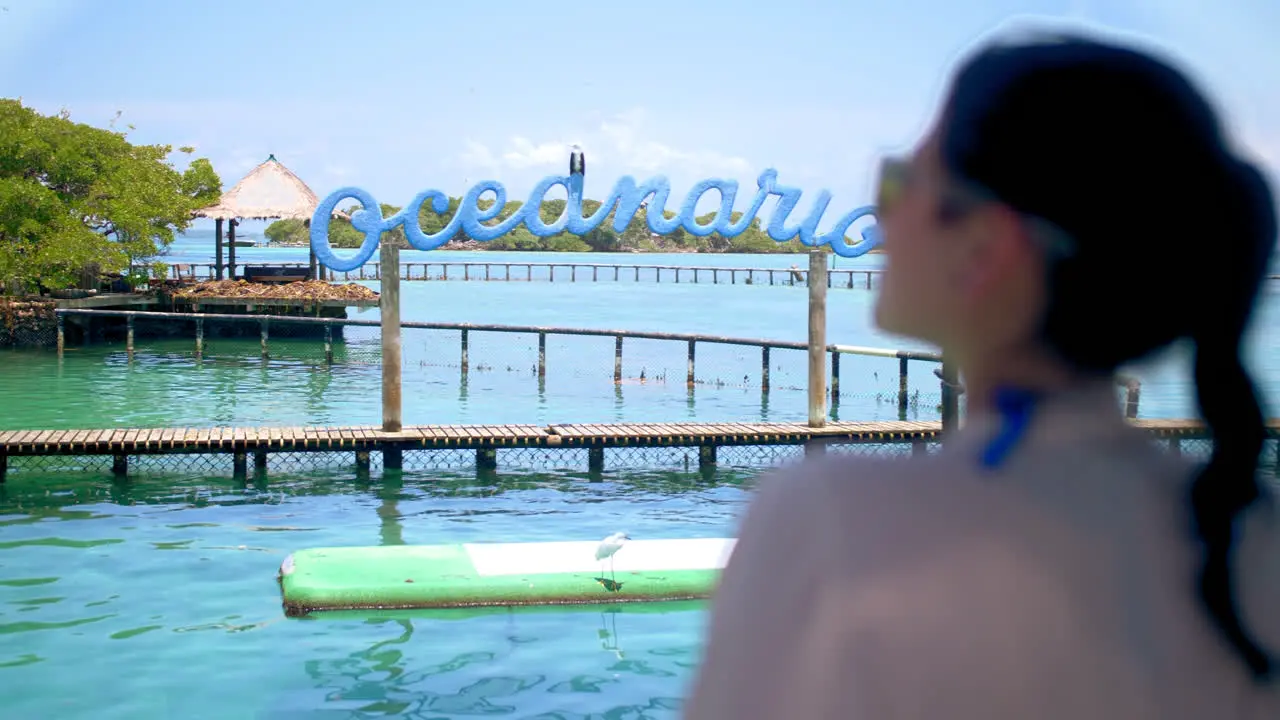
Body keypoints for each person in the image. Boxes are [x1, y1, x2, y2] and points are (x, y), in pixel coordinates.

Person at [683, 29, 1280, 720]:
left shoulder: (834, 519)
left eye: (898, 181)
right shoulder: (1253, 540)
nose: (878, 210)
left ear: (984, 249)